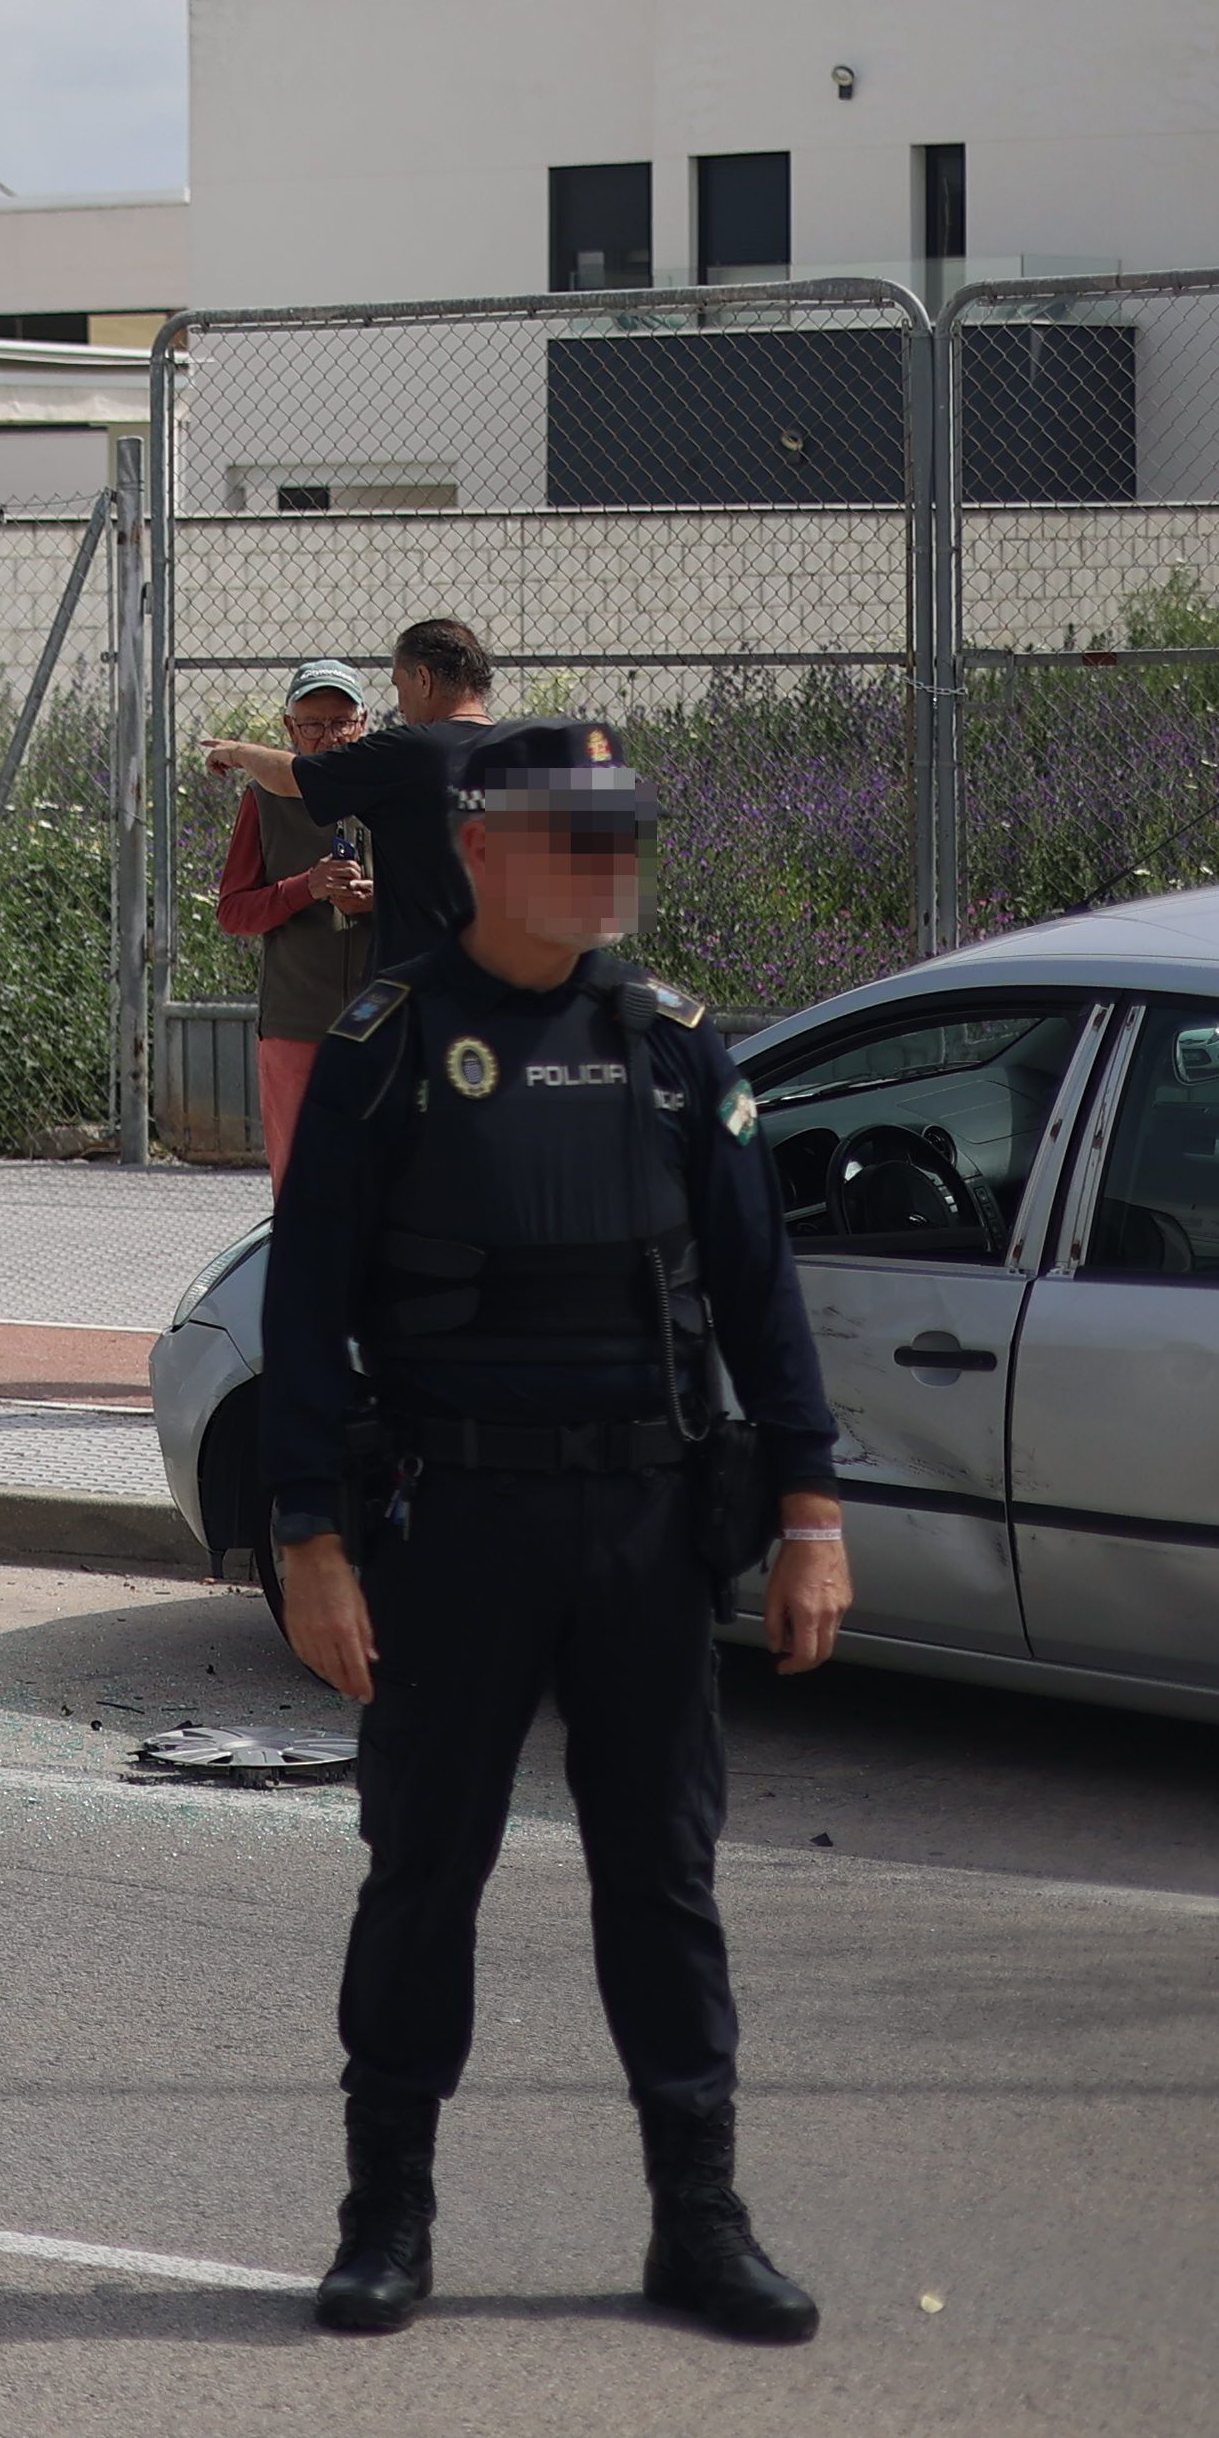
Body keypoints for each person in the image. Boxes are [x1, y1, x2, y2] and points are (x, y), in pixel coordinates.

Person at [257, 720, 852, 2347]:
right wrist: (305, 1531)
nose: (604, 867)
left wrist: (807, 1504)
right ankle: (384, 2219)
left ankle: (698, 2221)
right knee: (421, 1876)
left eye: (618, 837)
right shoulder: (392, 1036)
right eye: (570, 836)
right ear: (489, 846)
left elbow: (757, 1289)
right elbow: (303, 1299)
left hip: (648, 1531)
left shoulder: (670, 1044)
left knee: (659, 1882)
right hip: (453, 1527)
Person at [207, 615, 497, 977]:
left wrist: (236, 752)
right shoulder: (530, 755)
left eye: (399, 686)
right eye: (312, 724)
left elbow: (288, 775)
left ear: (423, 679)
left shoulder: (408, 754)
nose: (401, 707)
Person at [212, 657, 384, 1184]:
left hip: (386, 1022)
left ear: (365, 722)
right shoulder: (264, 799)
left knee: (387, 1190)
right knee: (302, 1192)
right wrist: (303, 888)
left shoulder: (394, 792)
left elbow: (446, 892)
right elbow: (234, 912)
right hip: (296, 1026)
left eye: (340, 723)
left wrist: (380, 899)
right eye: (311, 725)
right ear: (289, 728)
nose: (327, 738)